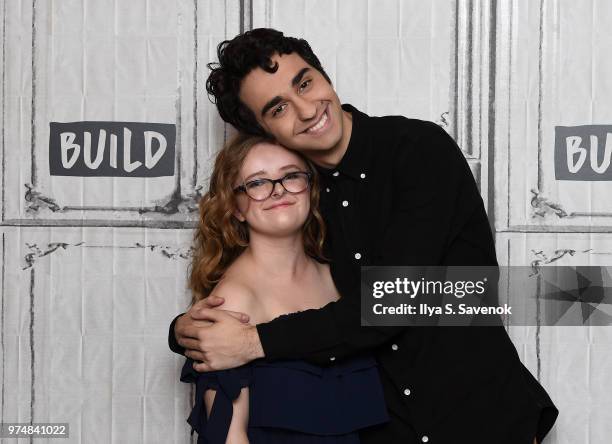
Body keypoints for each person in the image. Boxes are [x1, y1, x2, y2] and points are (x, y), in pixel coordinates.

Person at [170, 28, 559, 443]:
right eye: (278, 108)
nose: (306, 109)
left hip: (484, 421)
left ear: (324, 75)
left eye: (305, 82)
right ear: (265, 132)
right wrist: (186, 331)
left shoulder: (417, 151)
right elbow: (273, 280)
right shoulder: (297, 195)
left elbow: (393, 300)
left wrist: (252, 342)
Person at [180, 133, 389, 443]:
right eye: (257, 183)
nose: (278, 191)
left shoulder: (340, 277)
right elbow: (229, 438)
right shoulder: (233, 300)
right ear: (235, 207)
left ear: (311, 188)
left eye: (291, 176)